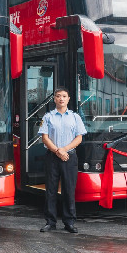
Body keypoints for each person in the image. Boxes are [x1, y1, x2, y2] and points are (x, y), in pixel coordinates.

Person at [38, 87, 86, 233]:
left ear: (68, 99)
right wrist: (57, 151)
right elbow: (44, 137)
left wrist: (64, 150)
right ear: (54, 99)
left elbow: (79, 137)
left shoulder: (75, 117)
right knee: (51, 190)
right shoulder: (48, 117)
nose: (61, 99)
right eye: (58, 96)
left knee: (68, 190)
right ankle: (50, 222)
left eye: (64, 96)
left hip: (69, 157)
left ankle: (69, 222)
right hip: (52, 157)